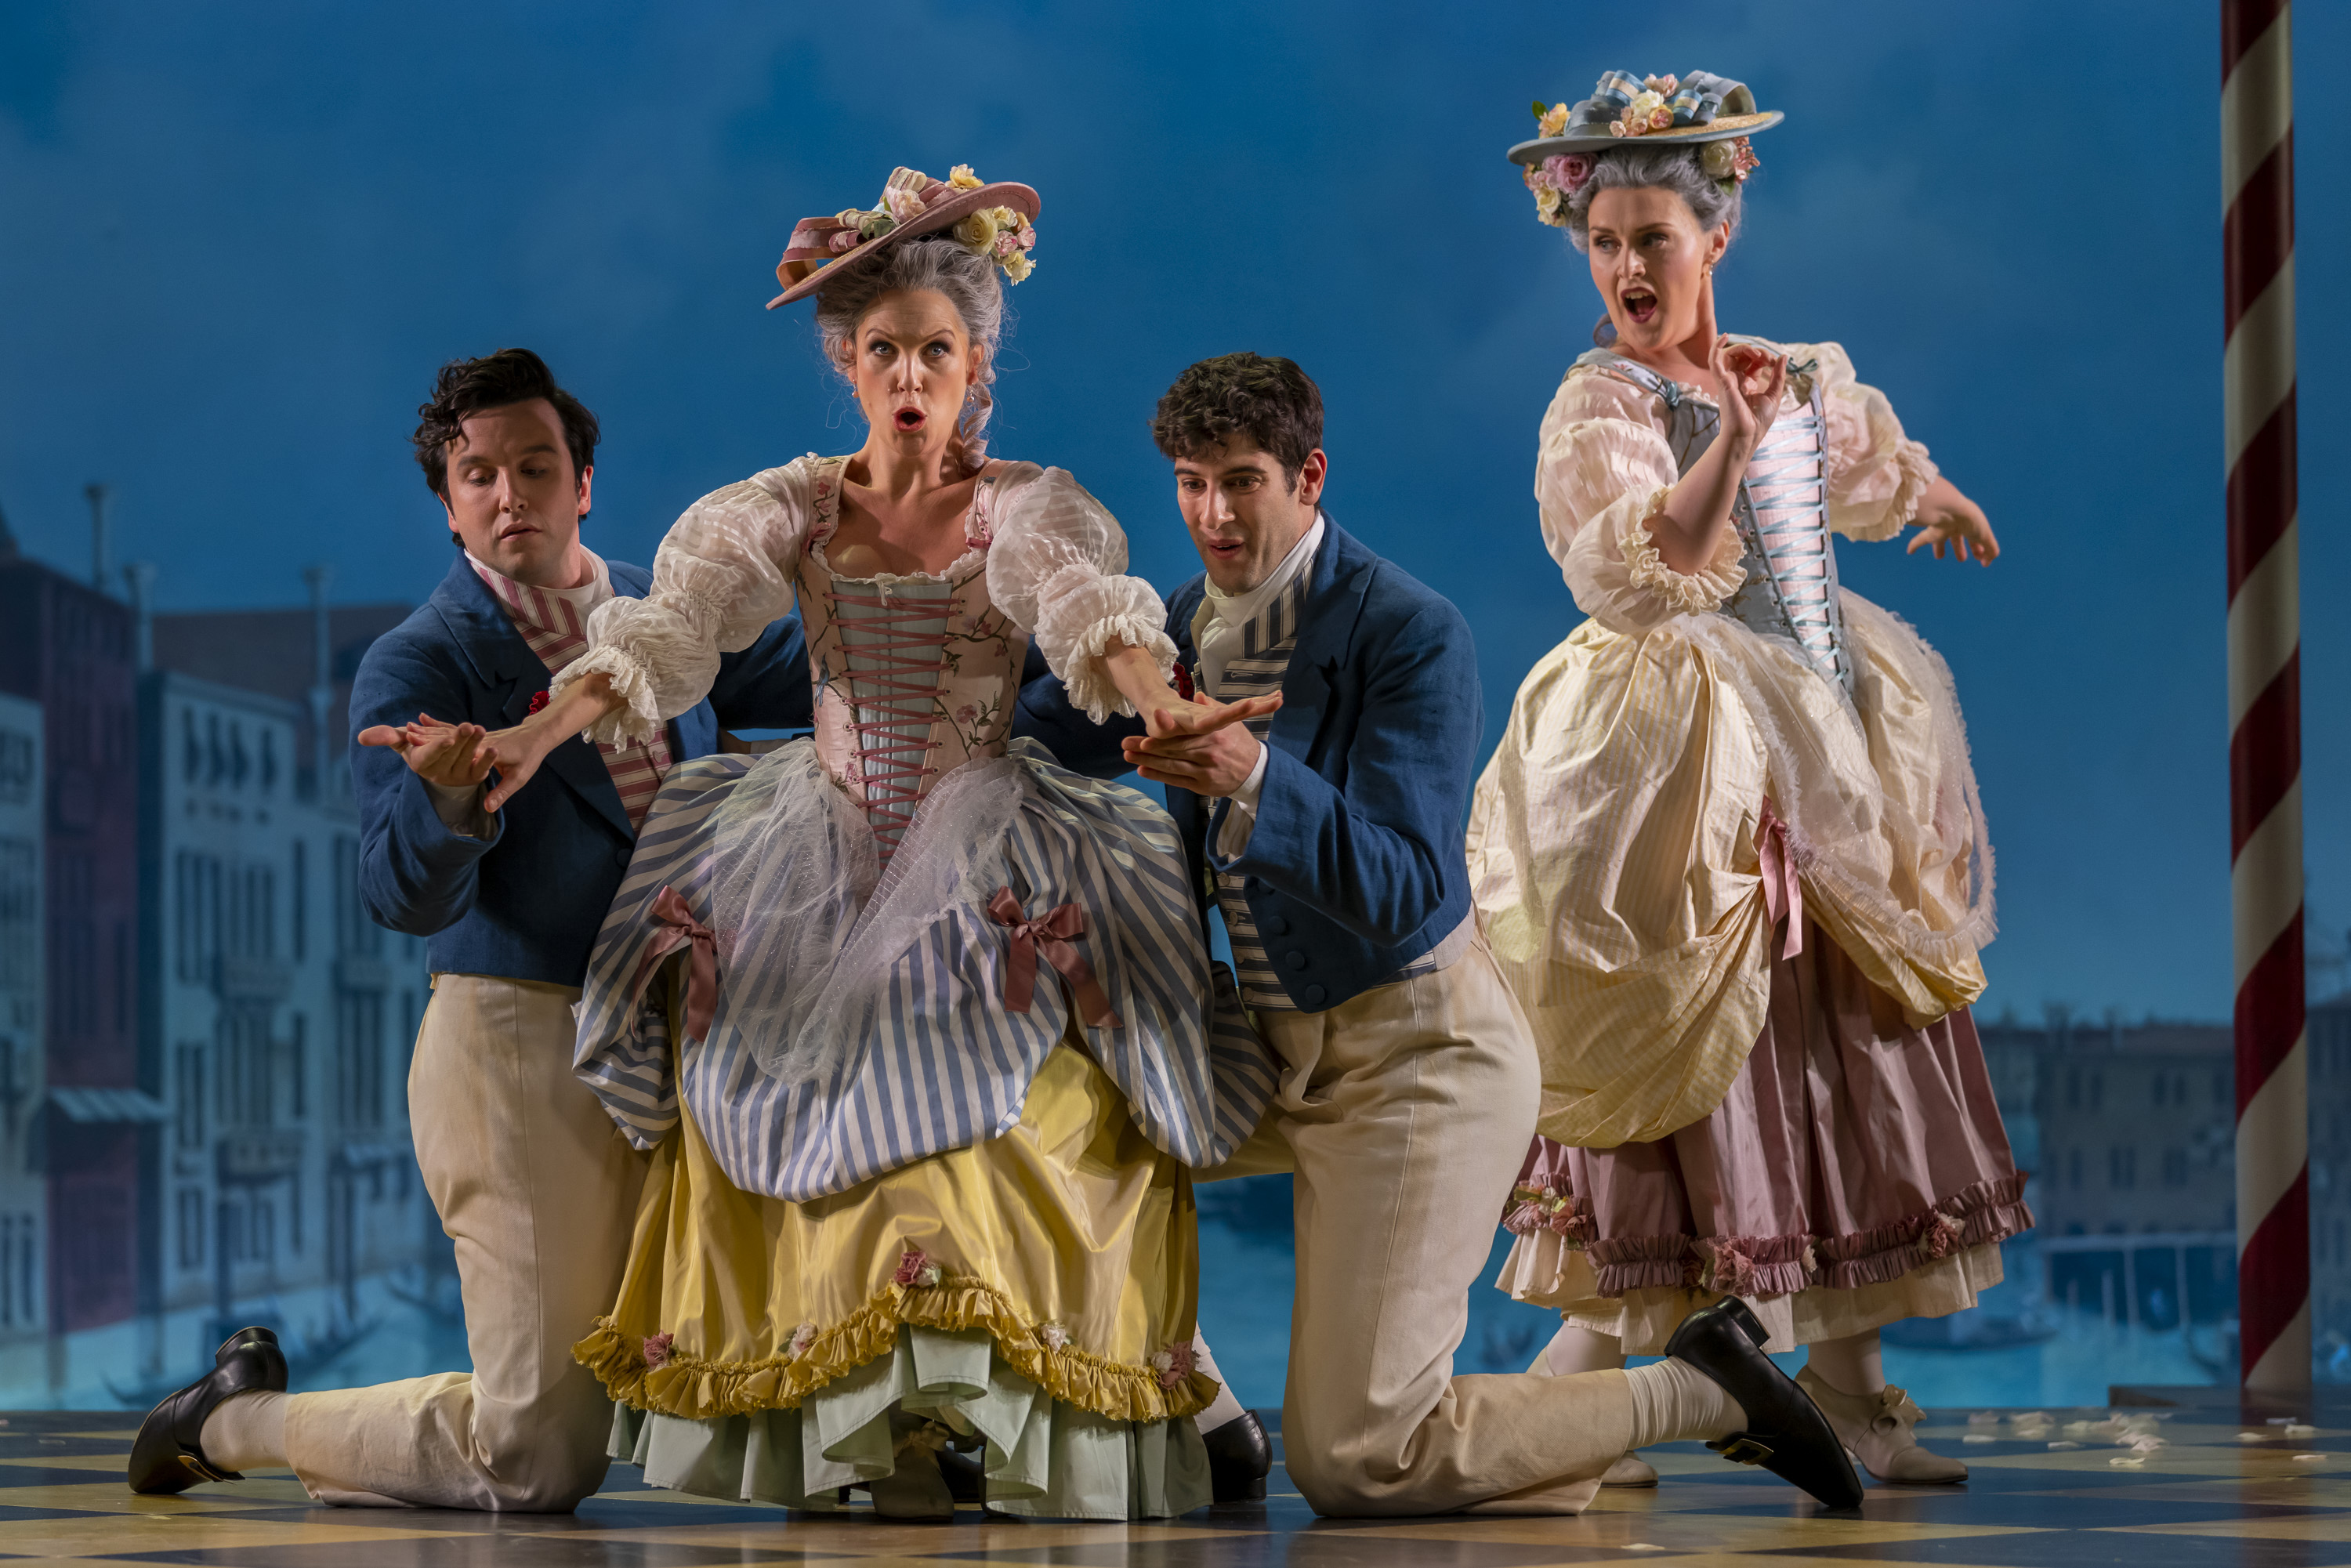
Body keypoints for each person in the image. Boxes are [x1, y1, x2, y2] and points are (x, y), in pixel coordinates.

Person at [468, 165, 1286, 1523]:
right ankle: (871, 1425)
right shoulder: (790, 506)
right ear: (851, 363)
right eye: (886, 349)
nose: (911, 376)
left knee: (1016, 1107)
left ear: (978, 366)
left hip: (988, 832)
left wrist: (1166, 705)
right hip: (818, 839)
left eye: (938, 351)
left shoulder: (1022, 506)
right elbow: (662, 640)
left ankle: (1087, 1388)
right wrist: (528, 740)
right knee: (776, 1091)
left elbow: (1092, 615)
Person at [1020, 351, 1865, 1516]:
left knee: (1359, 1459)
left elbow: (1412, 883)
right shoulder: (1163, 633)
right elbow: (1015, 717)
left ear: (1310, 477)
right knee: (1030, 1105)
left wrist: (1254, 771)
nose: (1213, 514)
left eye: (1244, 482)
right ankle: (1190, 1402)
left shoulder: (1409, 631)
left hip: (1418, 1057)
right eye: (1190, 483)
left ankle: (1708, 1391)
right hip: (1265, 1047)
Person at [127, 348, 813, 1507]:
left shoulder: (674, 616)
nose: (510, 494)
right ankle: (234, 1418)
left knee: (769, 1335)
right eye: (479, 474)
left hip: (688, 1042)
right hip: (519, 1046)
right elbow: (403, 896)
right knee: (538, 1454)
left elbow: (842, 680)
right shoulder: (421, 662)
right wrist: (451, 797)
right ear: (449, 507)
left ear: (584, 481)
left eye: (535, 466)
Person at [1469, 71, 2026, 1487]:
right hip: (1684, 758)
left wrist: (1932, 492)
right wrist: (1725, 441)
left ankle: (1847, 1385)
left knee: (1846, 1047)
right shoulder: (1604, 398)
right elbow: (1638, 570)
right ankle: (1592, 1394)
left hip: (1826, 744)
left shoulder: (1787, 370)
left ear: (1715, 238)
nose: (1628, 267)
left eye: (1654, 238)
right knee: (1691, 1047)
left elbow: (1862, 466)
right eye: (1606, 243)